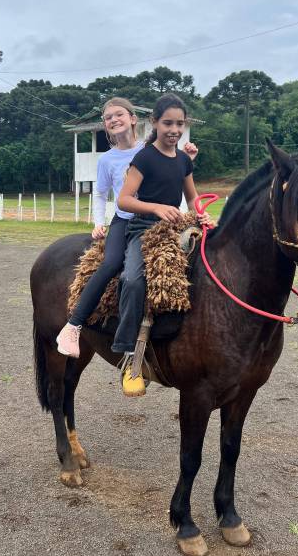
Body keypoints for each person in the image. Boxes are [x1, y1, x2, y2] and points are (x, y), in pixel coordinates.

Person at [56, 96, 199, 358]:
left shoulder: (151, 147)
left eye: (119, 114)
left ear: (134, 119)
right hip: (127, 220)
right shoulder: (112, 159)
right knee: (113, 264)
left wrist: (188, 158)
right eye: (108, 117)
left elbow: (173, 172)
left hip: (168, 219)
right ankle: (75, 324)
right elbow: (104, 194)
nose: (114, 120)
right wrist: (99, 223)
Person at [113, 92, 212, 397]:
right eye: (168, 123)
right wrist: (156, 207)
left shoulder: (183, 160)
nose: (174, 130)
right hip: (144, 228)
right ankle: (129, 354)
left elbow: (192, 198)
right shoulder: (144, 158)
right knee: (132, 279)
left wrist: (202, 215)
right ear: (154, 122)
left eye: (180, 124)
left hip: (176, 227)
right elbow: (124, 200)